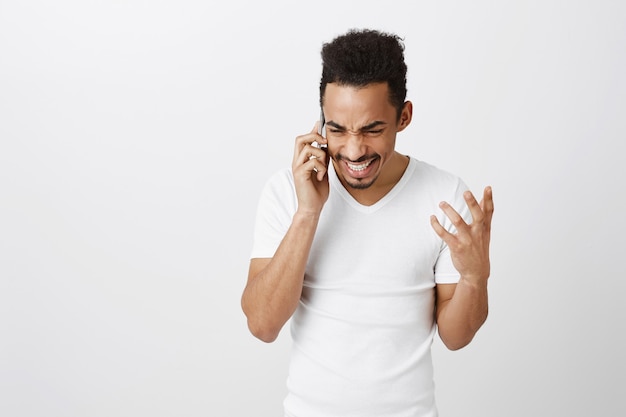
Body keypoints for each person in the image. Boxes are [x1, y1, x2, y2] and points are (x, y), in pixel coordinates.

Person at [241, 28, 494, 417]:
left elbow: (456, 337)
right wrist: (308, 212)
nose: (354, 149)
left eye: (372, 129)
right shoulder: (287, 191)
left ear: (403, 117)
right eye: (337, 129)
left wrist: (476, 279)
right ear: (321, 121)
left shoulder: (444, 195)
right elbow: (262, 325)